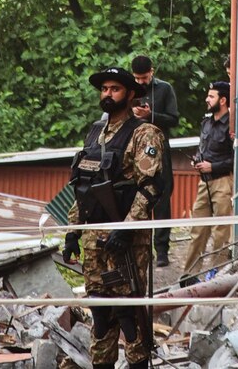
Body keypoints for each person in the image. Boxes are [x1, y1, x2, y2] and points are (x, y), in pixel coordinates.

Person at [61, 67, 164, 369]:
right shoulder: (95, 133)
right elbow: (85, 189)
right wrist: (72, 232)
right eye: (104, 89)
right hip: (94, 240)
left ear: (130, 94)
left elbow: (151, 188)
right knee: (101, 315)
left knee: (129, 315)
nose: (107, 94)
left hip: (127, 243)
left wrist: (126, 229)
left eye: (115, 89)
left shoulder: (144, 133)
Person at [181, 81, 235, 280]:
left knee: (221, 233)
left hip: (222, 181)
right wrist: (198, 159)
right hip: (204, 182)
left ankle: (216, 274)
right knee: (198, 230)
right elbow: (202, 147)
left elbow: (236, 157)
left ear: (222, 100)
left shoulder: (231, 124)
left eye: (211, 96)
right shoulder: (206, 122)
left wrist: (213, 166)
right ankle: (189, 274)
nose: (207, 99)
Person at [130, 55, 179, 267]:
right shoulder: (128, 90)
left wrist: (151, 115)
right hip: (134, 150)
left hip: (159, 149)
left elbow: (174, 119)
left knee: (161, 198)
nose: (141, 82)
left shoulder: (165, 89)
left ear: (152, 71)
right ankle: (137, 247)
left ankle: (161, 251)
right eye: (137, 78)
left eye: (144, 77)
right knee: (134, 198)